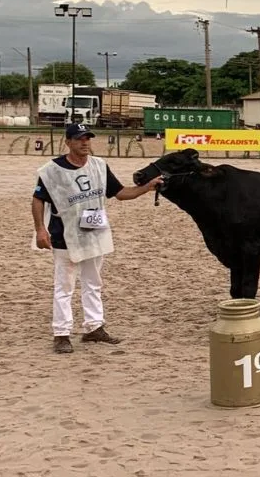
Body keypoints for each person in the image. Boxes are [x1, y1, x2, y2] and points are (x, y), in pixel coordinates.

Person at [32, 123, 163, 354]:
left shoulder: (99, 166)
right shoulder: (52, 171)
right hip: (64, 234)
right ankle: (61, 333)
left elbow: (120, 193)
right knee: (65, 286)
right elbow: (38, 199)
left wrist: (147, 188)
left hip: (94, 232)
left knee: (93, 282)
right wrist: (40, 230)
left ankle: (94, 328)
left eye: (88, 138)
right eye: (80, 139)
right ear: (68, 142)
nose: (85, 143)